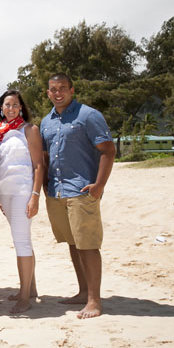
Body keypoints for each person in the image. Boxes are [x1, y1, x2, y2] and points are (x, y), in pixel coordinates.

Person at [40, 73, 115, 319]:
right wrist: (44, 188)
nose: (58, 93)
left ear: (72, 90)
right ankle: (83, 292)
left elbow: (108, 150)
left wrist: (98, 186)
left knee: (88, 245)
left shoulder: (88, 115)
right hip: (57, 192)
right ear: (48, 93)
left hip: (82, 190)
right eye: (53, 89)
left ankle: (95, 300)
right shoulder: (46, 122)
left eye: (63, 88)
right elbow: (45, 158)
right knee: (73, 243)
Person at [0, 90, 45, 314]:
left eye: (15, 104)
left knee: (21, 240)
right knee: (21, 239)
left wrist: (35, 195)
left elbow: (38, 165)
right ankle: (30, 288)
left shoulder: (29, 130)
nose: (11, 108)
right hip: (5, 192)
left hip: (23, 191)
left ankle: (24, 297)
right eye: (7, 105)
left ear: (21, 107)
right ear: (1, 108)